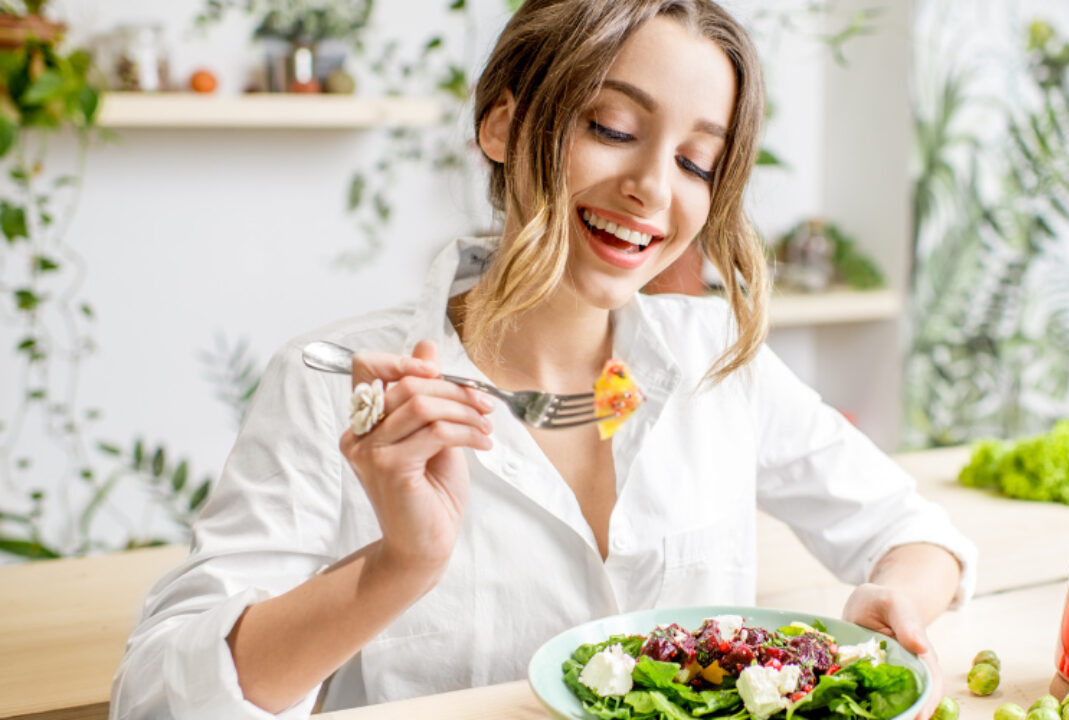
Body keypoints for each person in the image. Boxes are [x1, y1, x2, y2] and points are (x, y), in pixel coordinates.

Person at [110, 1, 976, 718]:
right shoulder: (336, 381)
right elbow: (158, 698)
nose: (653, 188)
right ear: (503, 123)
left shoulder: (716, 358)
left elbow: (912, 530)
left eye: (694, 160)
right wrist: (398, 565)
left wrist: (896, 599)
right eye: (611, 126)